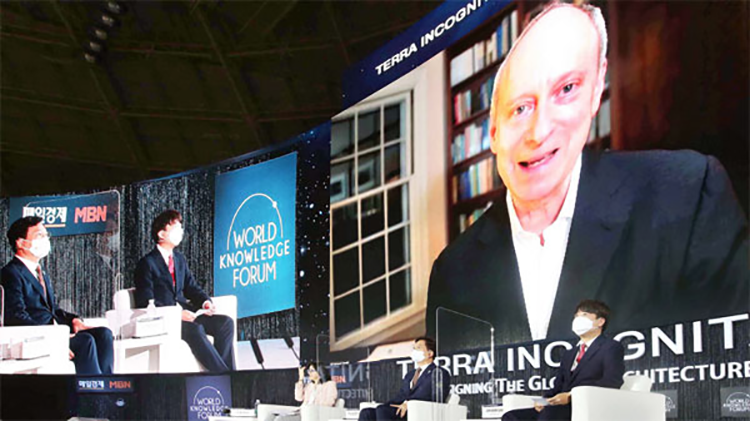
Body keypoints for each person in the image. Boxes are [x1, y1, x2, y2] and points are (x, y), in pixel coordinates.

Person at [426, 1, 748, 345]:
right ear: (493, 133)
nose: (539, 132)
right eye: (520, 108)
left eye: (566, 90)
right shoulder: (452, 272)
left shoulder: (690, 194)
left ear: (596, 92)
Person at [1, 216, 114, 375]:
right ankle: (92, 389)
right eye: (39, 235)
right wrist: (54, 339)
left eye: (46, 235)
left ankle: (108, 382)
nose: (45, 239)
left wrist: (74, 320)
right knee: (85, 341)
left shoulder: (40, 272)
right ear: (21, 243)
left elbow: (52, 310)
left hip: (54, 332)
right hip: (35, 338)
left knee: (104, 334)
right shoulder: (11, 273)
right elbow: (16, 316)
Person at [134, 209, 235, 372]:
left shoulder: (179, 259)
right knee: (196, 329)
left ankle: (228, 376)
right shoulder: (147, 263)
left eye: (180, 227)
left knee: (225, 323)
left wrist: (205, 302)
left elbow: (191, 287)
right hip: (167, 320)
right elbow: (146, 301)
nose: (180, 231)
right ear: (161, 234)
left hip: (188, 314)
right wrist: (176, 314)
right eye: (175, 228)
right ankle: (225, 376)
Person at [502, 300, 625, 421]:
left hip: (586, 406)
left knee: (549, 415)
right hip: (559, 407)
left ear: (600, 321)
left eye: (584, 315)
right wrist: (544, 400)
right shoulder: (569, 353)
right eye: (576, 316)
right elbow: (558, 385)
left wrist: (571, 396)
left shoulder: (610, 347)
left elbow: (611, 381)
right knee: (511, 416)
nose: (578, 319)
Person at [359, 337, 450, 420]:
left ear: (430, 353)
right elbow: (401, 395)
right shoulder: (410, 375)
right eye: (414, 348)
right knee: (367, 412)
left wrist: (408, 404)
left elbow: (435, 396)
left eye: (418, 348)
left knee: (383, 411)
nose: (414, 351)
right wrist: (387, 404)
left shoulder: (439, 373)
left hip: (419, 410)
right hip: (402, 409)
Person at [266, 363, 338, 421]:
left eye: (312, 371)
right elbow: (298, 397)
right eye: (309, 371)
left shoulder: (329, 385)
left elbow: (329, 402)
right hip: (302, 412)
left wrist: (311, 408)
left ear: (319, 372)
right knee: (270, 416)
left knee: (280, 419)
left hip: (311, 414)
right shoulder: (310, 386)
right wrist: (300, 379)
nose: (309, 373)